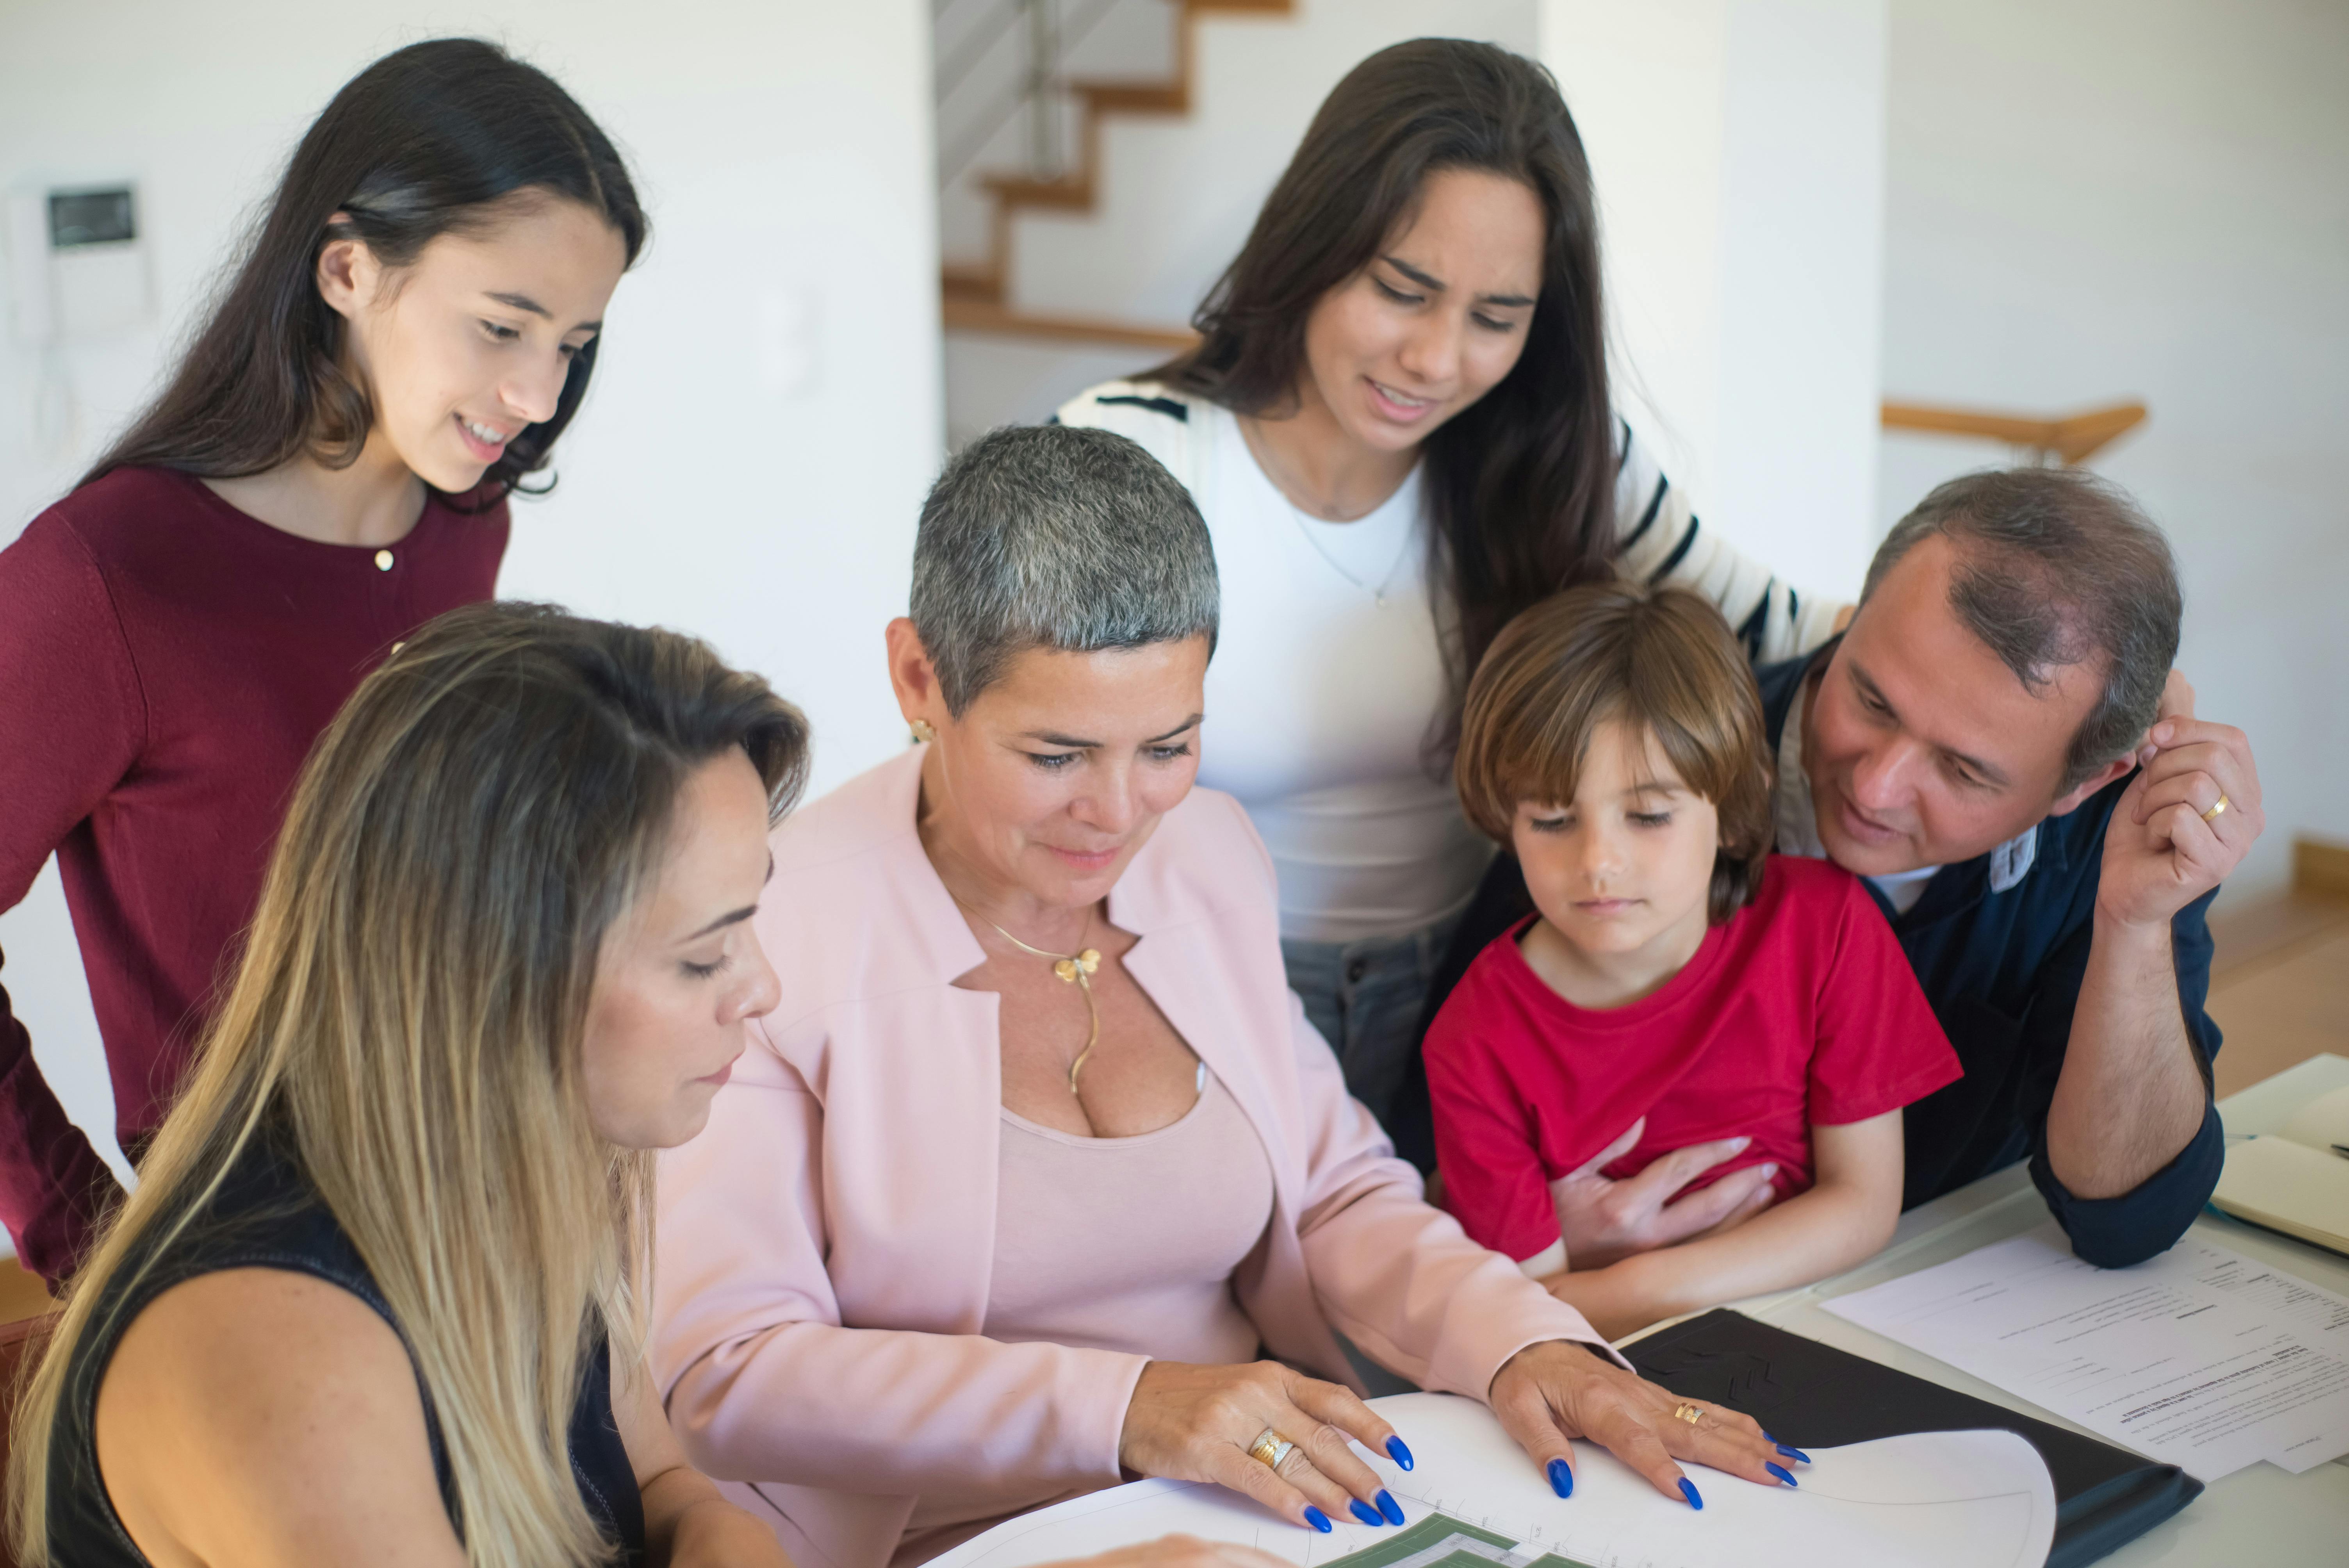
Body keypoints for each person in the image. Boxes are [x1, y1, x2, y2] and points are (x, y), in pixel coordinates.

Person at [650, 428, 1797, 1568]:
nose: (1118, 813)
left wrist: (1526, 1345)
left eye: (1170, 743)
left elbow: (1336, 1194)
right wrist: (1137, 1406)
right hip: (946, 1540)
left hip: (1264, 1495)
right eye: (1055, 755)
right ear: (919, 678)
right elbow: (730, 1368)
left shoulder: (1207, 852)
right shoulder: (772, 923)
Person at [1057, 39, 1846, 1131]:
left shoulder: (1563, 461)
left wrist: (2091, 703)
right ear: (1314, 245)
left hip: (1481, 993)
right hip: (1191, 989)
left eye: (1495, 319)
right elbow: (995, 764)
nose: (1436, 360)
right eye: (1403, 290)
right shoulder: (1135, 459)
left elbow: (1796, 634)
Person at [0, 37, 645, 1286]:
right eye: (503, 326)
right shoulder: (105, 579)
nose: (535, 393)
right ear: (349, 268)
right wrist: (88, 1236)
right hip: (255, 1266)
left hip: (487, 1211)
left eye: (572, 342)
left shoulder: (467, 522)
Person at [4, 602, 810, 1567]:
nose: (763, 987)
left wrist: (720, 1527)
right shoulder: (274, 1352)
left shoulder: (506, 1180)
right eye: (702, 954)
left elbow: (656, 1481)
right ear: (491, 977)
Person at [1421, 469, 2259, 1270]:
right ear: (1847, 619)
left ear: (2084, 783)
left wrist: (2134, 924)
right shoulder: (1655, 769)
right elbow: (1425, 1154)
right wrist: (1538, 1242)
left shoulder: (2114, 843)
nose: (1873, 786)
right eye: (1870, 700)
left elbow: (2125, 1222)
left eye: (1963, 772)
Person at [1423, 584, 1960, 1341]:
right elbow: (1534, 1314)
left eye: (1647, 814)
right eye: (1550, 818)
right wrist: (1621, 1293)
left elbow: (1864, 1204)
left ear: (1734, 804)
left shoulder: (1828, 928)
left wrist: (1639, 1281)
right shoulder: (1472, 1042)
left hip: (1833, 1329)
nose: (1598, 862)